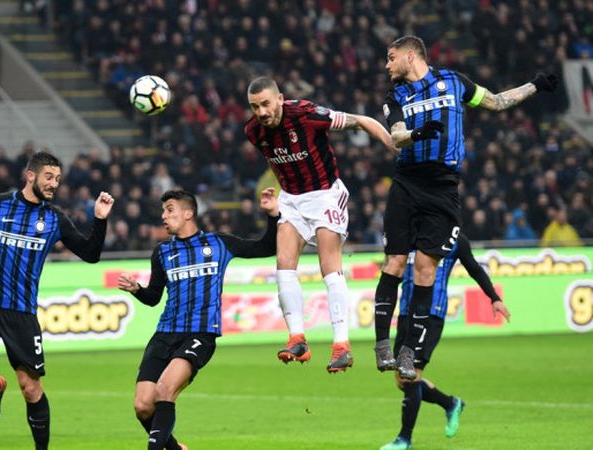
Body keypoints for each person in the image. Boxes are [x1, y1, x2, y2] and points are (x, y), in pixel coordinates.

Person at [374, 35, 558, 380]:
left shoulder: (455, 82)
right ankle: (382, 344)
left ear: (411, 55)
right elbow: (397, 135)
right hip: (407, 181)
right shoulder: (395, 94)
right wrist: (417, 135)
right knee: (396, 262)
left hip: (443, 188)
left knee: (425, 270)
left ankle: (409, 352)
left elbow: (498, 103)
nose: (387, 65)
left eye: (391, 57)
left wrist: (534, 85)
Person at [0, 152, 114, 450]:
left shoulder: (55, 218)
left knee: (31, 389)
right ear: (30, 175)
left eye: (57, 178)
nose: (54, 183)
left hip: (21, 313)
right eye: (48, 177)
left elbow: (91, 254)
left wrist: (99, 220)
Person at [244, 76, 396, 372]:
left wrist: (393, 146)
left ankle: (342, 345)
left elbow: (361, 121)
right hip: (290, 198)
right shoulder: (253, 131)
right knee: (284, 264)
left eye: (265, 103)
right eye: (254, 106)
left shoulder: (307, 114)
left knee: (329, 264)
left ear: (279, 99)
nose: (261, 112)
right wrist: (278, 200)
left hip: (326, 194)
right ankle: (297, 338)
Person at [118, 188, 279, 450]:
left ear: (188, 213)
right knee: (143, 405)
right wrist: (137, 290)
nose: (164, 216)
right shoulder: (161, 253)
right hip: (164, 334)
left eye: (169, 209)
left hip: (199, 334)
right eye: (163, 210)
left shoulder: (219, 243)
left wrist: (272, 215)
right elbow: (153, 298)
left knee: (164, 391)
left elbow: (266, 247)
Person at [380, 234, 511, 450]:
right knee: (401, 380)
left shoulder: (455, 239)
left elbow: (475, 269)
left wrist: (494, 298)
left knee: (409, 374)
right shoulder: (408, 232)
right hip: (405, 313)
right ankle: (451, 403)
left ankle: (404, 438)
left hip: (431, 313)